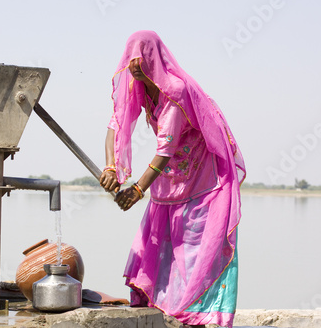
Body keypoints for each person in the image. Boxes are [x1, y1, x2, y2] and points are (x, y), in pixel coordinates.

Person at [99, 30, 246, 328]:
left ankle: (203, 314)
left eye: (140, 59)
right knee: (162, 242)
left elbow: (165, 148)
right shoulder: (136, 86)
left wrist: (138, 189)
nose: (135, 65)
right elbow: (117, 122)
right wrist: (111, 167)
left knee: (195, 247)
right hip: (169, 178)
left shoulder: (174, 91)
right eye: (130, 59)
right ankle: (164, 307)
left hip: (202, 177)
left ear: (153, 58)